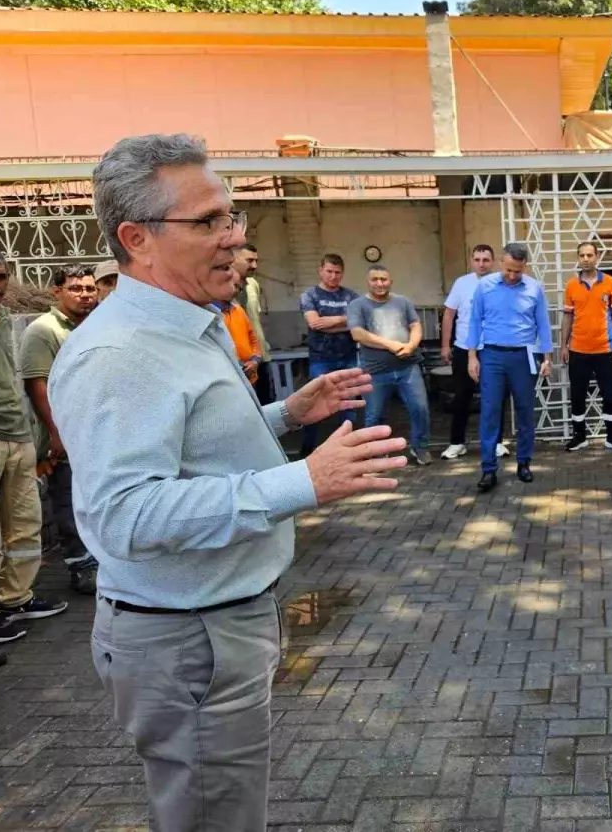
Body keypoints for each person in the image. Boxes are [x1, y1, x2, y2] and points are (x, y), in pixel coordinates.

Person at [50, 133, 407, 830]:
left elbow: (189, 446)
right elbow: (124, 516)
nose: (234, 238)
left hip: (212, 629)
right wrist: (303, 482)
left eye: (232, 216)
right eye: (208, 222)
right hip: (188, 642)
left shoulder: (188, 323)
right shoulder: (119, 354)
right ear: (137, 238)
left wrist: (283, 414)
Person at [0, 251, 68, 652]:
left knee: (24, 522)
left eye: (1, 277)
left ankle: (16, 598)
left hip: (15, 432)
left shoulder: (3, 317)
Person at [19, 264, 98, 595]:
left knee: (95, 500)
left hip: (97, 432)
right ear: (57, 292)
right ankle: (80, 567)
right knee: (68, 499)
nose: (84, 295)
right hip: (66, 436)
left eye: (89, 289)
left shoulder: (95, 326)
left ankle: (102, 562)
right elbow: (37, 384)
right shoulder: (44, 330)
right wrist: (56, 432)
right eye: (75, 289)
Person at [465, 242, 553, 491]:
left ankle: (524, 462)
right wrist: (472, 356)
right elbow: (474, 322)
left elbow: (543, 325)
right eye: (509, 269)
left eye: (518, 270)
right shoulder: (485, 287)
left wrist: (547, 358)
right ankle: (488, 469)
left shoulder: (534, 288)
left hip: (524, 356)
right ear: (501, 262)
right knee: (490, 412)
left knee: (525, 411)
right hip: (492, 355)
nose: (513, 275)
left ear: (525, 266)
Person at [347, 264, 431, 465]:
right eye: (375, 279)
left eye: (384, 279)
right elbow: (357, 334)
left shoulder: (403, 302)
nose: (379, 283)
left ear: (390, 281)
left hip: (407, 367)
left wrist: (411, 345)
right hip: (375, 371)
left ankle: (420, 447)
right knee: (374, 416)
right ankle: (374, 453)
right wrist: (391, 345)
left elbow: (415, 325)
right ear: (368, 282)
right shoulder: (357, 305)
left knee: (420, 409)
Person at [440, 244, 509, 461]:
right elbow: (449, 316)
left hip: (492, 348)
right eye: (477, 259)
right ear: (472, 261)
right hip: (463, 348)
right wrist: (445, 345)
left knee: (495, 397)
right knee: (462, 396)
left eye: (486, 259)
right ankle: (457, 443)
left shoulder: (502, 282)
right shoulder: (462, 283)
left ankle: (496, 442)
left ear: (493, 261)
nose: (481, 263)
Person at [561, 241, 612, 453]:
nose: (586, 259)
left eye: (590, 255)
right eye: (582, 255)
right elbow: (567, 318)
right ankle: (579, 436)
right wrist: (562, 346)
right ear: (578, 258)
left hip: (605, 349)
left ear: (597, 257)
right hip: (578, 349)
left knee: (610, 394)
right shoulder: (571, 285)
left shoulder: (610, 283)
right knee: (578, 394)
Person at [298, 254, 360, 455]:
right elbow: (314, 323)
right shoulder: (310, 295)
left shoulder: (352, 296)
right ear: (320, 271)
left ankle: (348, 447)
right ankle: (308, 448)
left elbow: (358, 324)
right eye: (329, 272)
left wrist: (328, 323)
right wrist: (346, 320)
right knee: (315, 403)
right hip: (321, 359)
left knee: (348, 404)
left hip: (348, 357)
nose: (333, 276)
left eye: (337, 273)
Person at [234, 243, 274, 404]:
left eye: (256, 261)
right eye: (249, 260)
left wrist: (258, 354)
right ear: (233, 258)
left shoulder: (253, 285)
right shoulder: (219, 287)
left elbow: (254, 321)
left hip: (261, 356)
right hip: (239, 362)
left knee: (267, 403)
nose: (254, 266)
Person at [216, 270, 263, 386]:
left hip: (248, 378)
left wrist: (255, 361)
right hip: (227, 380)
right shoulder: (210, 314)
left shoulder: (239, 311)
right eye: (234, 286)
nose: (236, 291)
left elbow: (254, 340)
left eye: (239, 288)